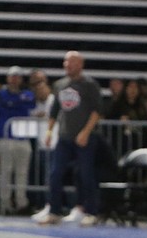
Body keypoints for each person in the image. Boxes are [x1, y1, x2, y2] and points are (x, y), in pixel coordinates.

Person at [34, 51, 102, 226]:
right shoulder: (60, 85)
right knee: (56, 173)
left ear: (80, 64)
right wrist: (49, 133)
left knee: (86, 175)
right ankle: (54, 210)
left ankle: (91, 212)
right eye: (65, 62)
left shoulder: (89, 84)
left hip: (84, 138)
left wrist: (85, 132)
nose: (67, 65)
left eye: (71, 62)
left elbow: (97, 112)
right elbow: (55, 111)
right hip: (64, 137)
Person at [0, 65, 37, 215]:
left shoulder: (27, 94)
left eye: (17, 77)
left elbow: (29, 103)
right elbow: (8, 104)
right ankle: (4, 202)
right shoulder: (1, 94)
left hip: (22, 137)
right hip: (7, 137)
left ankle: (21, 202)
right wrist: (16, 103)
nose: (14, 80)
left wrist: (15, 103)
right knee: (6, 171)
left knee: (22, 172)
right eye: (12, 76)